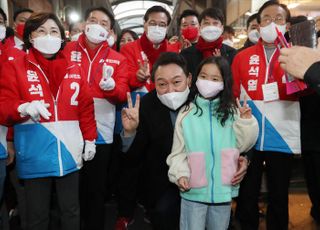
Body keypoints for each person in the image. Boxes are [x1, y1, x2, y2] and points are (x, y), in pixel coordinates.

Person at [0, 12, 97, 230]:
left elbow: (86, 109)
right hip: (34, 151)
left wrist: (90, 139)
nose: (48, 36)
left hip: (70, 151)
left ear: (63, 38)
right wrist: (22, 107)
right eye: (41, 31)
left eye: (54, 31)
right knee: (37, 216)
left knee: (71, 211)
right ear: (30, 36)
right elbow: (3, 105)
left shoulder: (75, 68)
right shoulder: (16, 65)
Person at [166, 56, 258, 230]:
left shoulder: (232, 112)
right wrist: (180, 174)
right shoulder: (186, 113)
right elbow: (178, 152)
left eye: (215, 79)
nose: (208, 82)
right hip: (193, 189)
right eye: (204, 76)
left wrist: (246, 121)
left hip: (224, 189)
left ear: (224, 82)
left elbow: (244, 144)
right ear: (195, 78)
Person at [232, 2, 301, 229]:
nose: (272, 23)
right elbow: (233, 93)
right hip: (249, 133)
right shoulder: (243, 57)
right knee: (247, 193)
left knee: (279, 194)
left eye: (279, 19)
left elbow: (307, 90)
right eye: (266, 18)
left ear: (288, 25)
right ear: (259, 24)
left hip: (282, 133)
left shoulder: (296, 55)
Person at [63, 6, 129, 230]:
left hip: (101, 129)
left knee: (95, 188)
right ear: (84, 23)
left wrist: (110, 88)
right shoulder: (66, 50)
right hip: (68, 126)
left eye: (104, 23)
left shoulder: (117, 59)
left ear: (110, 32)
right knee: (71, 187)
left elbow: (122, 93)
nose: (97, 26)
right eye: (93, 20)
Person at [120, 5, 179, 94]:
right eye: (152, 23)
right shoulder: (129, 49)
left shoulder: (173, 50)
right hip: (141, 102)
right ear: (145, 24)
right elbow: (124, 77)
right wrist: (137, 77)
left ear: (167, 28)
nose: (157, 28)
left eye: (162, 25)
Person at [181, 7, 237, 79]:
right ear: (200, 27)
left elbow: (232, 82)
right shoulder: (187, 54)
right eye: (206, 23)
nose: (211, 27)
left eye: (215, 23)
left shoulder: (231, 54)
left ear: (222, 28)